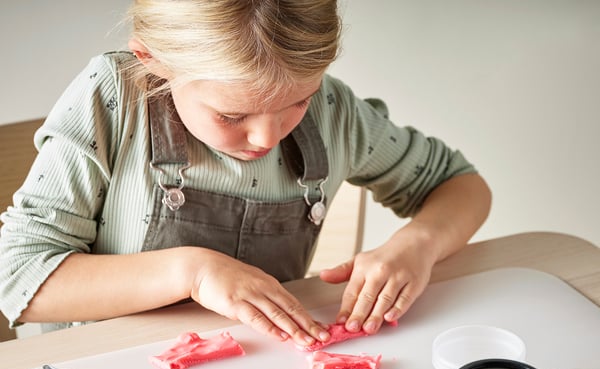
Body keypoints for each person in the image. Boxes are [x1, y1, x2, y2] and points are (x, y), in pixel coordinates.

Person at [0, 0, 491, 348]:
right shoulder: (112, 98)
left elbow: (460, 185)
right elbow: (18, 277)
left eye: (297, 102)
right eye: (232, 116)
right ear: (153, 61)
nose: (266, 137)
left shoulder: (334, 110)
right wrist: (192, 272)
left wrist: (418, 245)